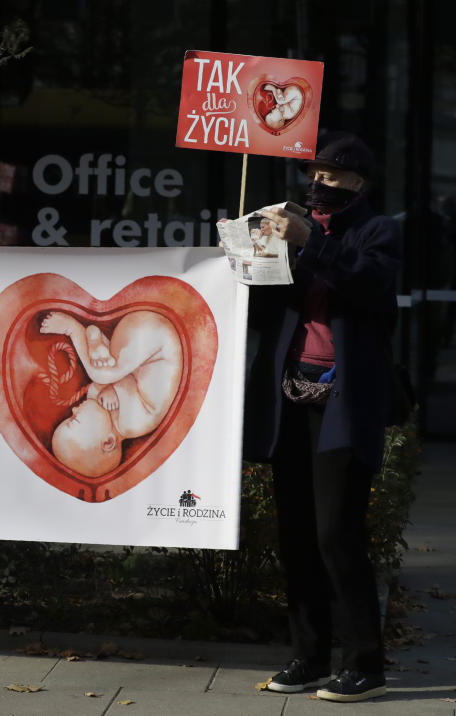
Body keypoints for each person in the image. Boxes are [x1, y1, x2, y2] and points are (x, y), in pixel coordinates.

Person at [244, 130, 401, 703]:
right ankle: (308, 655)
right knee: (297, 534)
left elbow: (369, 287)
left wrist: (312, 241)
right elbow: (265, 314)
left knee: (337, 534)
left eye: (331, 176)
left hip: (343, 402)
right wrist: (254, 261)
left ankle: (366, 663)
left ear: (357, 183)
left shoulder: (377, 231)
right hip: (290, 395)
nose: (318, 184)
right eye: (314, 174)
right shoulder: (292, 231)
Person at [39, 310, 182, 476]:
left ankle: (97, 345)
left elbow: (112, 383)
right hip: (157, 341)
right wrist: (111, 389)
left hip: (141, 344)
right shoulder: (132, 424)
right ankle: (73, 329)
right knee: (100, 374)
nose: (73, 410)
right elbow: (127, 381)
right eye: (74, 419)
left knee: (106, 373)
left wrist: (103, 390)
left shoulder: (111, 415)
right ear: (108, 442)